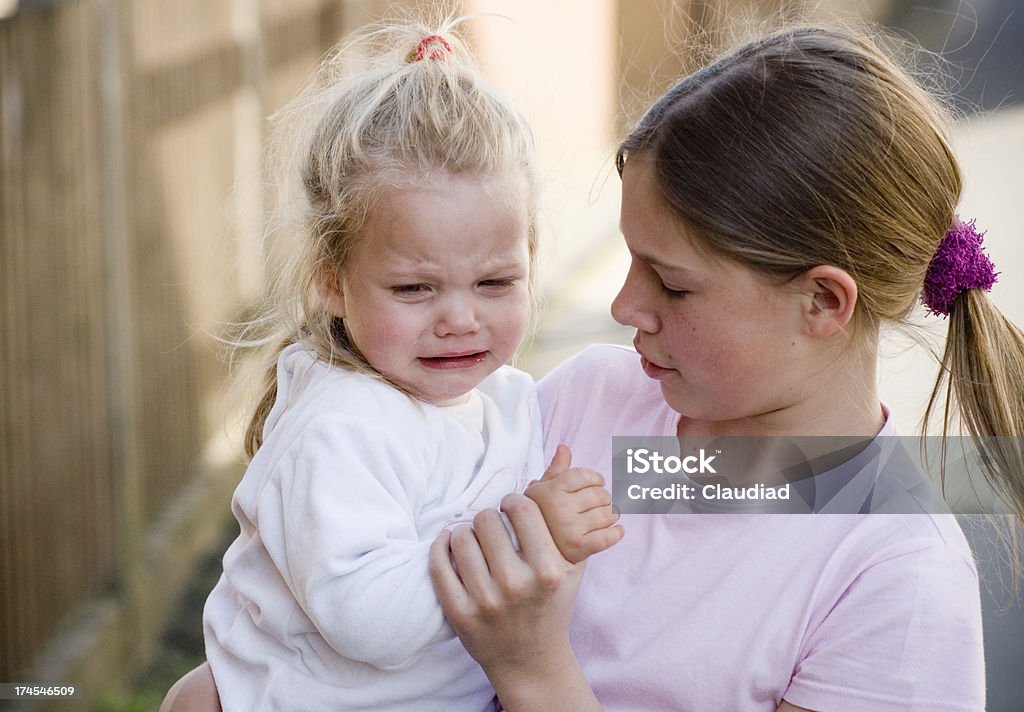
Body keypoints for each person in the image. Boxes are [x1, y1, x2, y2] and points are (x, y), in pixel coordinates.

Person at [429, 24, 1024, 711]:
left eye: (673, 285)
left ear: (822, 301)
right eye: (631, 262)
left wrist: (532, 669)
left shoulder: (897, 578)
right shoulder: (590, 399)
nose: (625, 307)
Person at [162, 16, 621, 712]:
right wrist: (534, 535)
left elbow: (789, 476)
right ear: (331, 283)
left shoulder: (507, 399)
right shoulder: (341, 426)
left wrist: (825, 477)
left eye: (495, 283)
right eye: (414, 289)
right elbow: (372, 622)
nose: (460, 318)